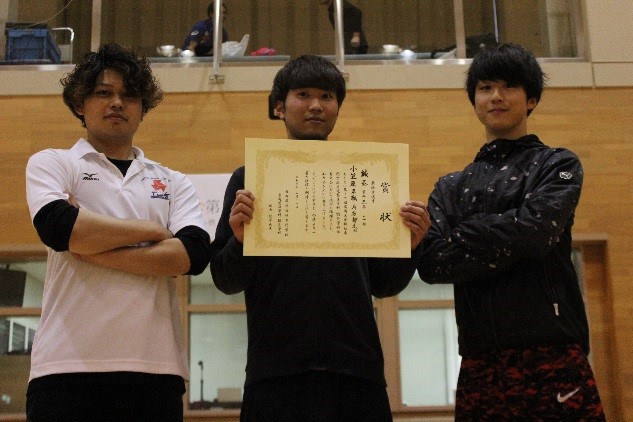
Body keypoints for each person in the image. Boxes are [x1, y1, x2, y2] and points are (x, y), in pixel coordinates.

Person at [210, 55, 430, 421]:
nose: (316, 105)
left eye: (327, 96)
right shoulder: (249, 178)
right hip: (275, 371)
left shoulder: (367, 175)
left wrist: (410, 247)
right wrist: (239, 241)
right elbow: (224, 278)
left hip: (356, 370)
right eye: (303, 94)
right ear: (279, 107)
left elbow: (384, 284)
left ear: (338, 108)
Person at [417, 43, 605, 420]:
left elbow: (536, 232)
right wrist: (511, 233)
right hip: (479, 360)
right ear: (474, 100)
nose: (496, 97)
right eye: (485, 87)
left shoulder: (557, 164)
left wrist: (463, 232)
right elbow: (433, 264)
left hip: (553, 354)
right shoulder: (450, 186)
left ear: (531, 99)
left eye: (509, 87)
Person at [25, 43, 210, 420]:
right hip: (63, 369)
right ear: (80, 103)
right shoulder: (53, 163)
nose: (116, 103)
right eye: (103, 92)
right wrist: (152, 230)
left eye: (129, 95)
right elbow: (58, 228)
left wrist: (89, 246)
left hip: (155, 371)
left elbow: (192, 255)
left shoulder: (173, 181)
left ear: (142, 108)